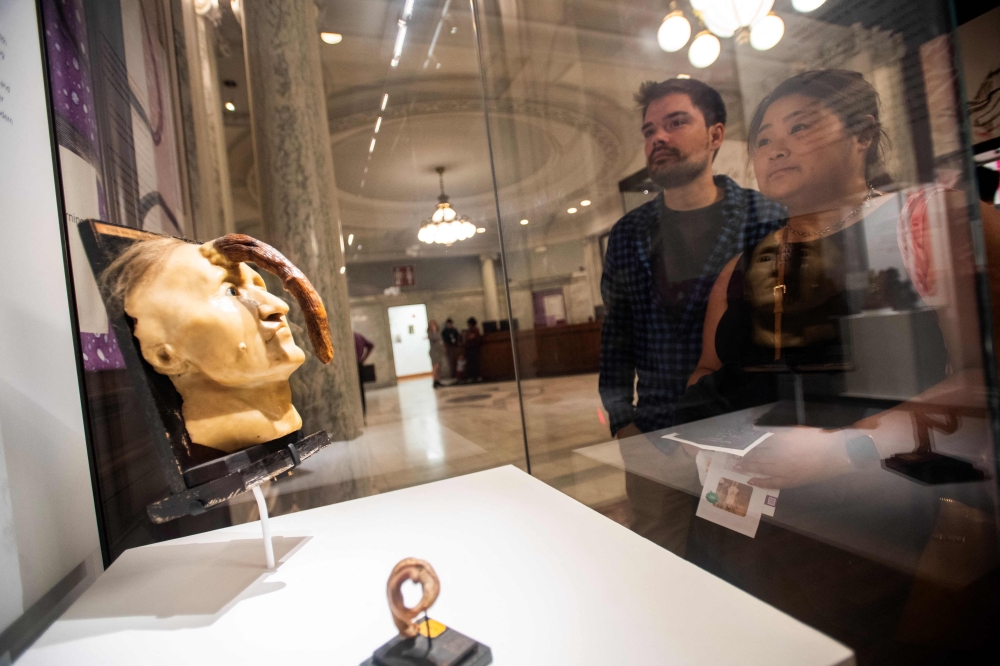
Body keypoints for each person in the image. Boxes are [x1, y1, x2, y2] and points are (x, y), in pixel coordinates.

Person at [598, 77, 784, 553]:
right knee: (660, 565)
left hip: (741, 435)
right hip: (654, 435)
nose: (658, 137)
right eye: (648, 130)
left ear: (716, 135)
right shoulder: (628, 233)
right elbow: (615, 336)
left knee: (745, 564)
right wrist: (624, 423)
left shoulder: (765, 218)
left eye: (676, 122)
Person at [354, 330, 374, 420]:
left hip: (357, 365)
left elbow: (370, 345)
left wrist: (362, 359)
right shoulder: (357, 335)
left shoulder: (355, 336)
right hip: (359, 364)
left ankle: (360, 415)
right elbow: (371, 345)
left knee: (358, 391)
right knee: (360, 391)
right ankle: (363, 415)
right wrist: (363, 359)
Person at [427, 320, 447, 388]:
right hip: (434, 352)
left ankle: (438, 380)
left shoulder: (438, 333)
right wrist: (434, 331)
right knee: (435, 366)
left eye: (434, 325)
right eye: (432, 325)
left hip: (439, 352)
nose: (433, 326)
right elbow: (434, 338)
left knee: (439, 367)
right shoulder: (430, 333)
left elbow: (441, 341)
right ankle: (434, 381)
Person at [462, 317, 483, 382]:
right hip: (469, 348)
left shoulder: (475, 330)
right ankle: (471, 376)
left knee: (474, 363)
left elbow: (471, 337)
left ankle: (476, 376)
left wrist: (466, 336)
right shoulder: (469, 331)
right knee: (470, 363)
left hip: (473, 348)